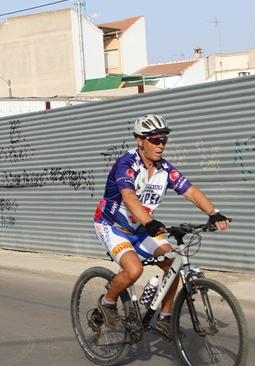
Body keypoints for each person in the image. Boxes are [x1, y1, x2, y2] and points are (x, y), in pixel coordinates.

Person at [93, 114, 230, 338]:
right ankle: (107, 302)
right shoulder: (126, 164)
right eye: (155, 140)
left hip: (142, 228)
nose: (161, 145)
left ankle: (165, 319)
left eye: (164, 140)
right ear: (140, 140)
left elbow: (191, 191)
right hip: (112, 226)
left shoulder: (164, 168)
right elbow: (128, 197)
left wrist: (213, 213)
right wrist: (149, 221)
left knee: (174, 262)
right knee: (134, 269)